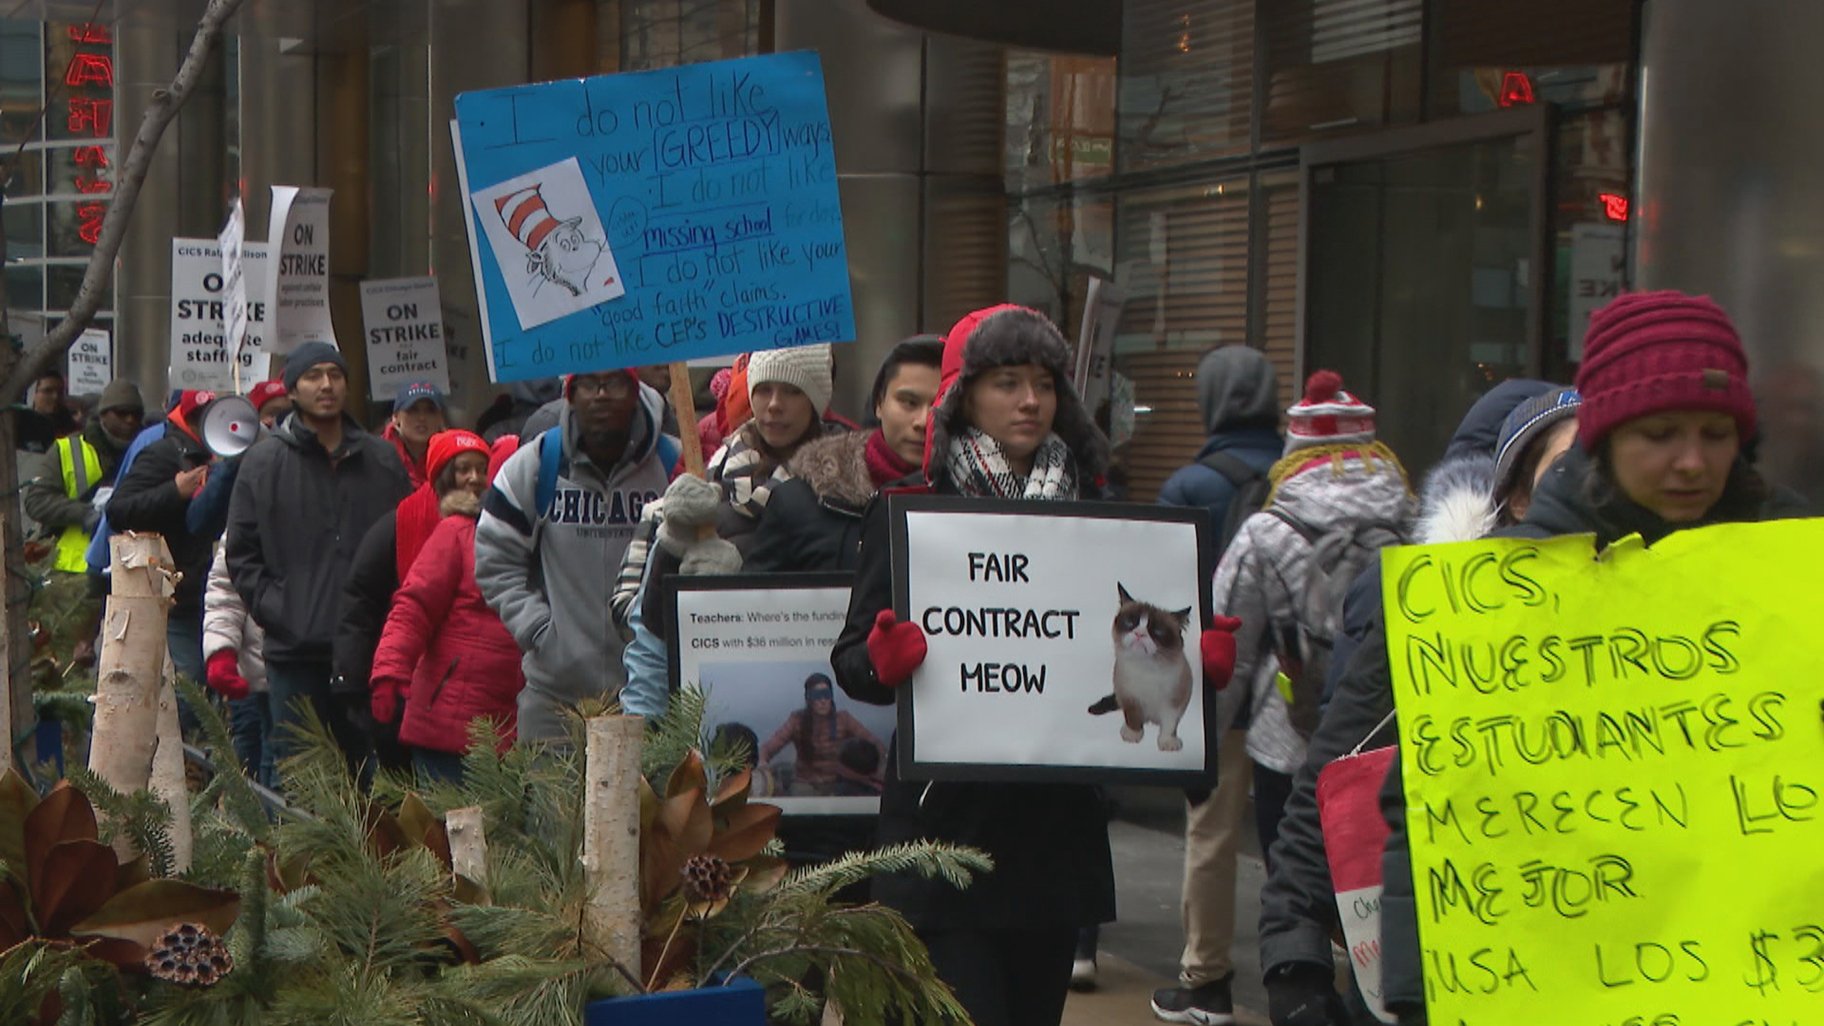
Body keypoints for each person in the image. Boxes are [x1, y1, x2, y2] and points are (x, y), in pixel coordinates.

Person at [1370, 291, 1795, 1026]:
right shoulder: (1499, 591)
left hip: (1754, 971)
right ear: (1601, 437)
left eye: (1716, 433)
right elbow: (1428, 807)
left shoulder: (1795, 571)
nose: (1692, 462)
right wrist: (1416, 991)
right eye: (1660, 433)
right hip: (1553, 977)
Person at [830, 305, 1235, 1026]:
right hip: (943, 838)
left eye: (1044, 383)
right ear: (966, 397)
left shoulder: (1099, 514)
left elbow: (1121, 664)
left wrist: (1193, 670)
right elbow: (853, 662)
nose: (1029, 401)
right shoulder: (912, 513)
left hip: (1052, 849)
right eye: (1007, 381)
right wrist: (884, 659)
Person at [1255, 380, 1578, 1026]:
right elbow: (1336, 777)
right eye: (1571, 467)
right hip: (1459, 965)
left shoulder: (1681, 622)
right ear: (1514, 497)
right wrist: (1296, 958)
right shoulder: (1440, 610)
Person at [1211, 371, 1412, 885]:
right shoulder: (1415, 516)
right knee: (1374, 886)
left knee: (1295, 883)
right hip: (1390, 736)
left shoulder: (1267, 529)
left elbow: (1226, 648)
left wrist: (1200, 750)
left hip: (1289, 741)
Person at [1148, 344, 1284, 1023]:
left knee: (1212, 832)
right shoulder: (1302, 476)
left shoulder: (1190, 487)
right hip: (1299, 694)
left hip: (1220, 687)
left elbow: (1161, 598)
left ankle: (1207, 981)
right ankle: (1318, 966)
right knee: (1302, 835)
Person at [226, 342, 411, 773]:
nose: (326, 385)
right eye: (313, 376)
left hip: (368, 649)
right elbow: (241, 553)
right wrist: (281, 609)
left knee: (370, 775)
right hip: (296, 651)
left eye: (335, 374)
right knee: (300, 775)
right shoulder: (263, 462)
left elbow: (407, 543)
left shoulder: (381, 459)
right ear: (292, 390)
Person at [475, 369, 676, 744]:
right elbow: (494, 559)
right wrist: (538, 629)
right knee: (551, 803)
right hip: (554, 699)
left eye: (614, 383)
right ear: (570, 393)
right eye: (587, 385)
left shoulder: (672, 465)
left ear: (635, 390)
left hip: (647, 698)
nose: (600, 395)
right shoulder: (535, 465)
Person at [336, 429, 506, 773]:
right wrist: (384, 673)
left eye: (481, 468)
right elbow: (410, 606)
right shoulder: (447, 532)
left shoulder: (515, 533)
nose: (474, 478)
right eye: (463, 469)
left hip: (508, 718)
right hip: (451, 717)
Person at [746, 335, 943, 573]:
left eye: (939, 406)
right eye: (909, 403)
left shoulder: (977, 505)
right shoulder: (795, 503)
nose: (923, 421)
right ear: (879, 404)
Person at [106, 390, 239, 689]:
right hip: (178, 594)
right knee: (188, 684)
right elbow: (119, 510)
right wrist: (174, 492)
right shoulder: (164, 455)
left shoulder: (226, 457)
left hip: (215, 593)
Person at [22, 379, 142, 574]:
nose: (130, 420)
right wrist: (86, 514)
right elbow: (37, 501)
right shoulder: (68, 449)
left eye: (136, 414)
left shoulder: (148, 450)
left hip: (132, 569)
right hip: (70, 573)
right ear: (103, 414)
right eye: (121, 413)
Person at [203, 536, 274, 788]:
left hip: (342, 669)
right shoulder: (256, 501)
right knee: (274, 758)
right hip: (269, 667)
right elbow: (225, 586)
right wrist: (221, 649)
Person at [757, 674, 886, 795]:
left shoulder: (844, 719)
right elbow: (769, 747)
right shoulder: (797, 721)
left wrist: (876, 768)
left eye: (826, 695)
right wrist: (763, 763)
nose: (823, 700)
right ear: (809, 699)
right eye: (817, 696)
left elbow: (873, 742)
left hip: (837, 784)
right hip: (805, 784)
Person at [383, 381, 448, 489]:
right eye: (412, 410)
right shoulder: (376, 456)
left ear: (440, 418)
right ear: (395, 417)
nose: (422, 418)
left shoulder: (452, 459)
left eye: (430, 411)